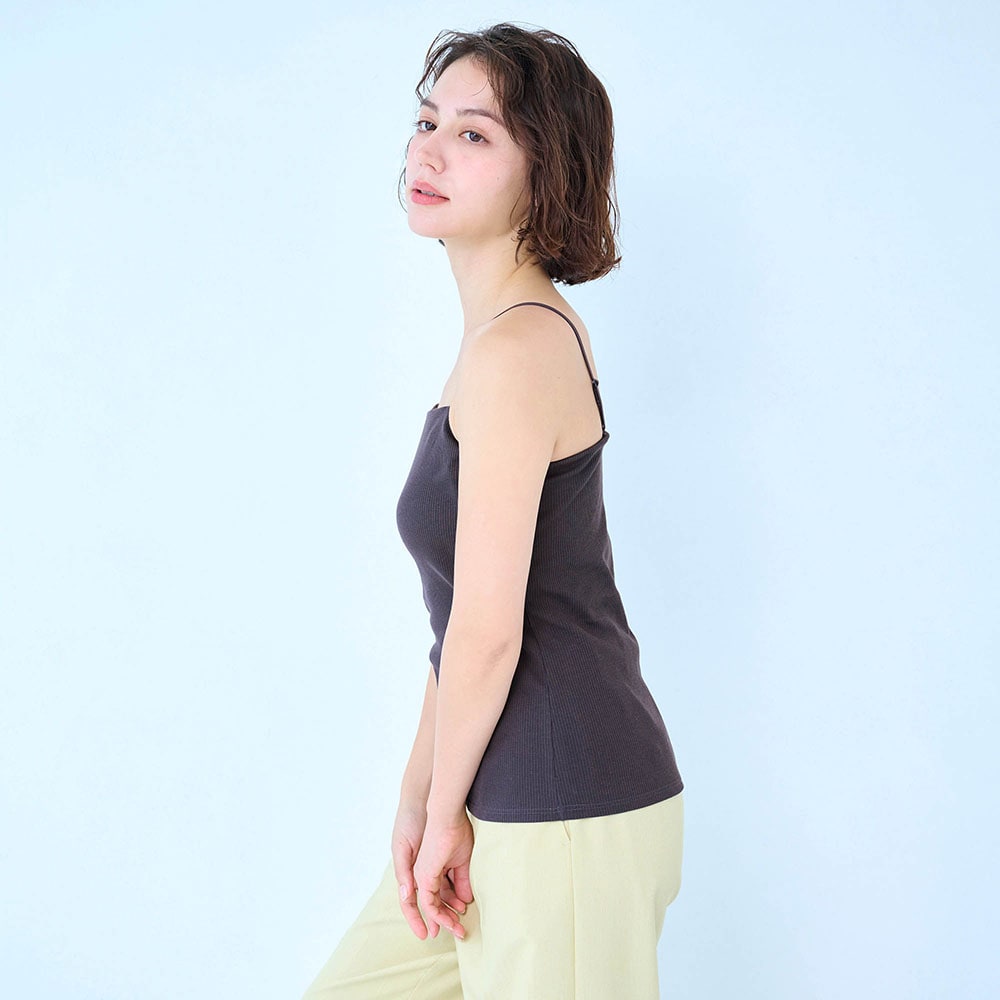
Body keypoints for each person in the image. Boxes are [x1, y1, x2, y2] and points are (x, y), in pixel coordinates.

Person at [302, 23, 684, 1000]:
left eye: (474, 134)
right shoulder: (494, 343)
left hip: (565, 807)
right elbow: (457, 625)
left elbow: (485, 633)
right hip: (504, 797)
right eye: (428, 122)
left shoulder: (519, 350)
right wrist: (420, 799)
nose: (429, 150)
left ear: (544, 173)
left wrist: (441, 816)